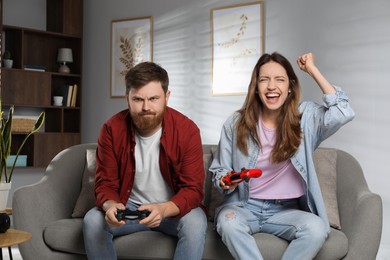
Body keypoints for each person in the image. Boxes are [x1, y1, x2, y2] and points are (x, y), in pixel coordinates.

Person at [209, 52, 355, 260]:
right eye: (264, 79)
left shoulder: (305, 118)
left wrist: (312, 69)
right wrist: (225, 181)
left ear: (290, 87)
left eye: (280, 79)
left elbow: (343, 111)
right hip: (244, 206)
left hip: (286, 211)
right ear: (256, 88)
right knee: (227, 223)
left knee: (316, 229)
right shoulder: (235, 123)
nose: (271, 86)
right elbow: (220, 170)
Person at [83, 61, 207, 260]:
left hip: (172, 210)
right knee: (92, 221)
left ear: (167, 97)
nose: (146, 107)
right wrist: (110, 206)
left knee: (195, 223)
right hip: (128, 208)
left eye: (153, 98)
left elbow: (193, 190)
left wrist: (163, 209)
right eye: (138, 99)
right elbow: (105, 183)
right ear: (127, 98)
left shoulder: (188, 130)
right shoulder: (111, 129)